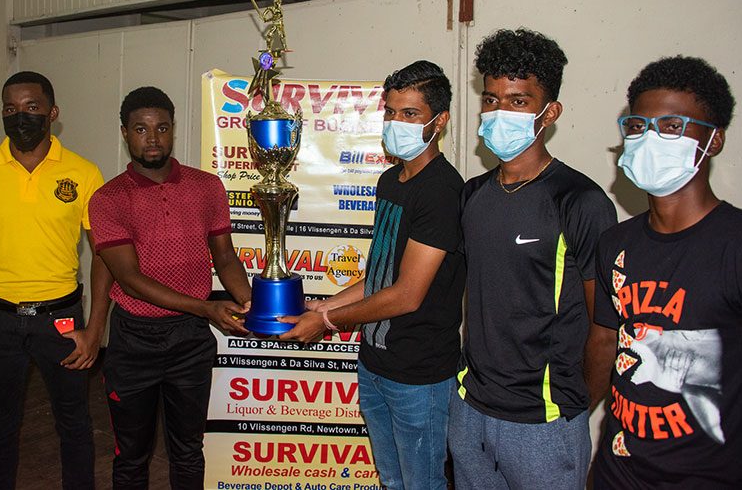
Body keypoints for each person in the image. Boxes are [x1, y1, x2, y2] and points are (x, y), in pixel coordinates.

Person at [279, 61, 465, 490]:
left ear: (440, 121)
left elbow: (406, 295)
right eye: (391, 112)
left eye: (410, 114)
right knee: (391, 480)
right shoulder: (390, 181)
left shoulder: (441, 190)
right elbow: (380, 276)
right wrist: (324, 305)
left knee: (422, 484)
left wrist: (325, 323)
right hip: (375, 364)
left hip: (419, 375)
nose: (396, 123)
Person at [449, 29, 617, 489]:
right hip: (469, 409)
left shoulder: (580, 202)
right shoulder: (473, 195)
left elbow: (605, 327)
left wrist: (574, 404)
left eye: (518, 101)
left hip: (544, 423)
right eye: (491, 99)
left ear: (550, 112)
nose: (500, 112)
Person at [0, 71, 110, 489]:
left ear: (52, 113)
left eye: (32, 107)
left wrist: (95, 329)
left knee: (74, 423)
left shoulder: (85, 173)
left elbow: (104, 255)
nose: (21, 116)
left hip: (62, 320)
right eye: (10, 109)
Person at [585, 56, 741, 488]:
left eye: (672, 126)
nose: (649, 138)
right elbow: (608, 342)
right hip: (619, 471)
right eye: (637, 126)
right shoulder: (616, 244)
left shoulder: (733, 246)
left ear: (713, 141)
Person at [88, 86, 251, 489]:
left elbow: (226, 259)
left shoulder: (206, 186)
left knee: (188, 450)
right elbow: (130, 280)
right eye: (141, 129)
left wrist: (254, 305)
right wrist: (205, 308)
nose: (153, 138)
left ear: (173, 129)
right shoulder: (107, 199)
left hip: (190, 341)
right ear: (125, 132)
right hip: (134, 340)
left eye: (162, 128)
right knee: (132, 454)